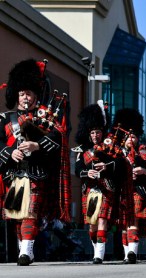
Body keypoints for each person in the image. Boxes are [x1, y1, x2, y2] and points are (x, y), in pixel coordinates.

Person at [0, 59, 69, 265]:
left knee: (31, 211)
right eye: (21, 93)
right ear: (16, 94)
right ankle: (26, 251)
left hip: (36, 172)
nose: (24, 97)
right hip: (13, 173)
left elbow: (59, 137)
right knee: (15, 215)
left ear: (36, 94)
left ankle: (25, 250)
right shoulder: (5, 118)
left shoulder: (46, 117)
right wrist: (10, 152)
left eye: (28, 93)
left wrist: (36, 146)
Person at [74, 101, 131, 264]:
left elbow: (121, 164)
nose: (95, 136)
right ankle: (96, 245)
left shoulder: (111, 147)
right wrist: (87, 172)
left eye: (97, 132)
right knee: (91, 225)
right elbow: (77, 169)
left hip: (106, 188)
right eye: (92, 132)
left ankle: (99, 254)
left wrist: (106, 166)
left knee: (102, 219)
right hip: (89, 189)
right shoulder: (83, 150)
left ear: (102, 132)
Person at [116, 108, 146, 264]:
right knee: (125, 223)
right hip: (119, 191)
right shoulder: (115, 152)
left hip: (137, 191)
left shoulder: (145, 151)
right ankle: (127, 254)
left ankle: (132, 252)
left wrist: (145, 170)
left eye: (134, 136)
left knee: (133, 219)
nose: (131, 139)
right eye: (128, 136)